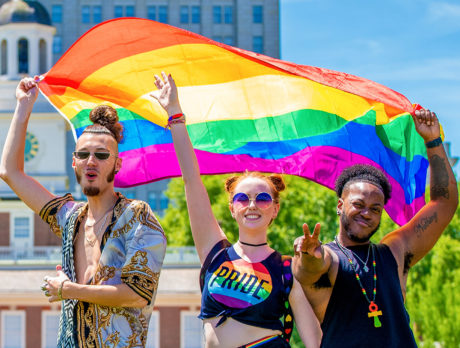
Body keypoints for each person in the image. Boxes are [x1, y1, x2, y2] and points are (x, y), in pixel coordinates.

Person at [150, 72, 321, 348]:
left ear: (275, 209)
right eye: (243, 198)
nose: (252, 205)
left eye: (263, 198)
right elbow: (192, 180)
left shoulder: (287, 269)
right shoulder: (214, 253)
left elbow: (315, 343)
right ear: (232, 208)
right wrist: (175, 114)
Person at [0, 77, 167, 348]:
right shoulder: (70, 217)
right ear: (74, 162)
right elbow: (10, 173)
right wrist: (23, 106)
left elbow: (138, 294)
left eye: (102, 155)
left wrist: (69, 290)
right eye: (84, 154)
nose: (91, 161)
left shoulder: (138, 216)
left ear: (117, 165)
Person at [292, 109, 458, 347]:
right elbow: (309, 270)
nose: (366, 213)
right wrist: (308, 255)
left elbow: (444, 203)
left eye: (375, 208)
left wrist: (433, 141)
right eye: (358, 205)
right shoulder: (327, 256)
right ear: (340, 205)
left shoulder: (394, 251)